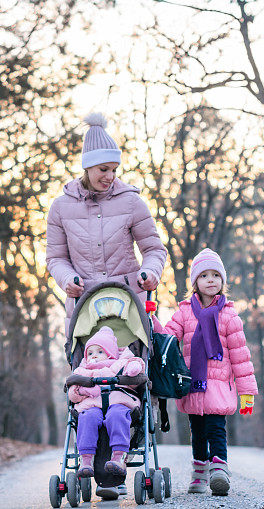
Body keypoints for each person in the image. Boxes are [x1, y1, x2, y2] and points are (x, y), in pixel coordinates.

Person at [46, 112, 167, 498]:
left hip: (127, 307)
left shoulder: (132, 201)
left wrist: (151, 272)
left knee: (122, 386)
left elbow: (154, 249)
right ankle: (97, 473)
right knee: (91, 386)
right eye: (102, 169)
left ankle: (114, 467)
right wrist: (68, 280)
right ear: (86, 167)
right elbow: (55, 258)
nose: (109, 176)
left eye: (114, 169)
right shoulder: (60, 208)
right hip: (83, 307)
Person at [160, 248, 258, 496]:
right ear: (195, 282)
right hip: (193, 383)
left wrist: (246, 393)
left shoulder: (229, 315)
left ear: (223, 281)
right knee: (197, 431)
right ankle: (200, 472)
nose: (211, 280)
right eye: (204, 275)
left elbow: (241, 357)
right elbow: (169, 337)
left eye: (216, 275)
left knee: (216, 428)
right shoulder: (184, 312)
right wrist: (153, 323)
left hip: (218, 385)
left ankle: (219, 472)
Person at [68, 327, 144, 477]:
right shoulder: (82, 371)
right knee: (86, 418)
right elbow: (72, 394)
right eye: (90, 353)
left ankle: (119, 456)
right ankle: (86, 460)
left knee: (117, 415)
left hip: (118, 401)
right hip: (92, 405)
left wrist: (133, 369)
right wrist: (84, 391)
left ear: (111, 353)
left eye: (100, 352)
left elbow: (136, 367)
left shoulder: (121, 363)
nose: (94, 356)